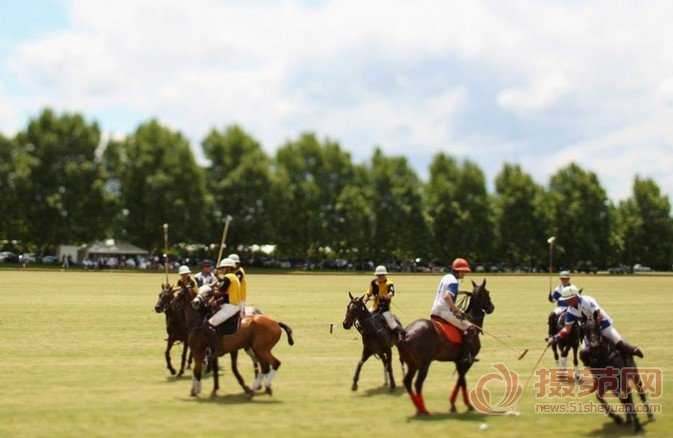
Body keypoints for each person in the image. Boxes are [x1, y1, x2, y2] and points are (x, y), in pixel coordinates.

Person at [550, 285, 643, 358]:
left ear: (576, 296)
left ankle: (633, 351)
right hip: (588, 331)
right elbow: (567, 329)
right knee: (584, 353)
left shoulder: (588, 301)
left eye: (570, 299)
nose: (568, 301)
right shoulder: (570, 311)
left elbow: (599, 315)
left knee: (620, 344)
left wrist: (593, 327)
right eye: (566, 300)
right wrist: (556, 337)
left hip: (604, 325)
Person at [431, 258, 477, 363]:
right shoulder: (454, 282)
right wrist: (455, 310)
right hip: (444, 312)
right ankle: (466, 355)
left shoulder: (446, 277)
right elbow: (447, 296)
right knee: (470, 328)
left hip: (435, 309)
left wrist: (463, 292)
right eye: (464, 271)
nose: (464, 274)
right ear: (458, 271)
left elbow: (446, 291)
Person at [364, 265, 405, 340]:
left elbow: (391, 293)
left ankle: (401, 335)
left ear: (385, 275)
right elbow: (369, 293)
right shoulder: (373, 282)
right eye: (378, 275)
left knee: (392, 324)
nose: (380, 277)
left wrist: (385, 296)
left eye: (381, 275)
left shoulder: (389, 283)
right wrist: (365, 299)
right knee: (365, 319)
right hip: (374, 307)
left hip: (384, 308)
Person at [207, 258, 243, 332]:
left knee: (210, 323)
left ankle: (214, 343)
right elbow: (222, 285)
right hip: (233, 305)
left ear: (229, 268)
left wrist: (209, 293)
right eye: (221, 268)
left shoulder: (228, 277)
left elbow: (220, 291)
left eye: (223, 268)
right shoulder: (233, 276)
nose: (221, 270)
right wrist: (216, 277)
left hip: (230, 306)